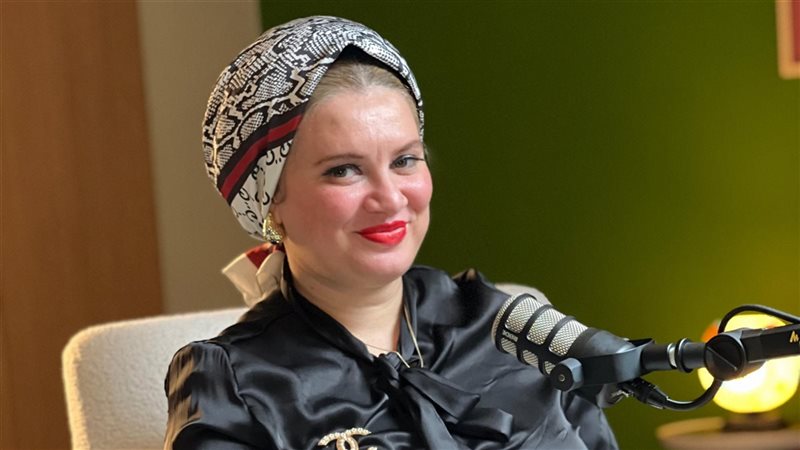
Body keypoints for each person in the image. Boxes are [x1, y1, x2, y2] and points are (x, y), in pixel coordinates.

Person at [164, 16, 618, 450]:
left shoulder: (511, 326)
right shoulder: (229, 381)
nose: (389, 197)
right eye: (343, 170)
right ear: (270, 203)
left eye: (404, 161)